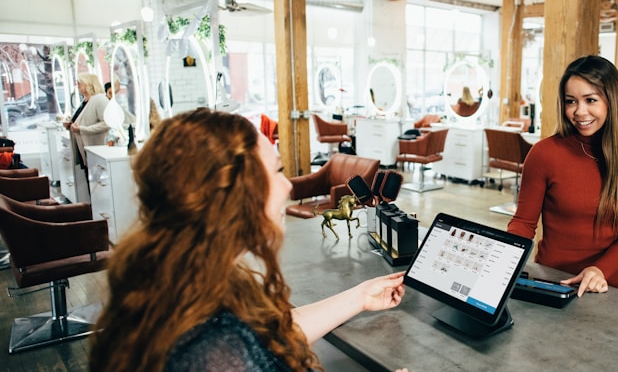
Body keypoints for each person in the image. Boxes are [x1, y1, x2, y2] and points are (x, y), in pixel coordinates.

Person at [89, 109, 407, 372]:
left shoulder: (180, 280)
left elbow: (269, 336)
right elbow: (242, 346)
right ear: (235, 195)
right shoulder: (211, 348)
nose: (287, 186)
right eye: (277, 171)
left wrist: (360, 297)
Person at [507, 55, 618, 296]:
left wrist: (599, 270)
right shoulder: (544, 153)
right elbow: (523, 223)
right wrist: (504, 258)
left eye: (591, 100)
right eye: (571, 101)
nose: (579, 111)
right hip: (550, 281)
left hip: (605, 286)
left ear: (612, 101)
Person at [64, 73, 109, 170]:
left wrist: (82, 129)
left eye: (80, 83)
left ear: (89, 83)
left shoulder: (100, 100)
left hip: (94, 146)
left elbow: (106, 123)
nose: (77, 86)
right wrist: (70, 124)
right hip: (81, 145)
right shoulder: (85, 100)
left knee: (93, 174)